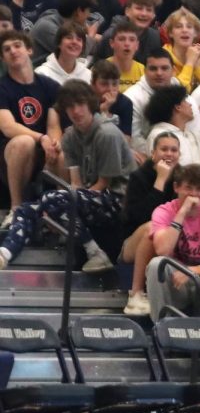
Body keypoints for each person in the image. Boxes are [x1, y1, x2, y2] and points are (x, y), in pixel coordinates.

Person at [0, 79, 134, 271]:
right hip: (90, 196)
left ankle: (95, 252)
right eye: (70, 106)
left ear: (90, 104)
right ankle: (4, 253)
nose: (76, 111)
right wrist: (58, 209)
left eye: (80, 104)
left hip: (117, 199)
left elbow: (103, 184)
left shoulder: (107, 133)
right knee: (27, 209)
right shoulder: (70, 136)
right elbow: (76, 183)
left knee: (53, 199)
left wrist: (60, 204)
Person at [147, 161, 200, 326]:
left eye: (199, 189)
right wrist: (182, 213)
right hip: (175, 282)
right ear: (176, 187)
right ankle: (160, 331)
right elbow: (162, 249)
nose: (194, 194)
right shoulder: (163, 211)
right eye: (188, 188)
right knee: (156, 264)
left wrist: (192, 271)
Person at [0, 30, 62, 223]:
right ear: (2, 58)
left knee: (62, 150)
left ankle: (60, 213)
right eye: (6, 49)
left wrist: (53, 142)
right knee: (23, 142)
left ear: (29, 50)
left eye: (17, 46)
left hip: (42, 152)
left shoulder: (50, 86)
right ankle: (16, 208)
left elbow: (54, 124)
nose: (13, 51)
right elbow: (8, 127)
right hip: (8, 154)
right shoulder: (2, 87)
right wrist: (41, 138)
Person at [119, 129, 178, 315]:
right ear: (153, 153)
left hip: (168, 241)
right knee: (153, 227)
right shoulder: (138, 177)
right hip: (133, 243)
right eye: (164, 149)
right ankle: (135, 294)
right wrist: (160, 180)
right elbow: (141, 216)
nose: (169, 154)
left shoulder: (182, 179)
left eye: (174, 150)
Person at [144, 83, 200, 166]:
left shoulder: (190, 135)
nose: (190, 105)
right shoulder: (158, 135)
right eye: (185, 101)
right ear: (177, 107)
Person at [161, 7, 200, 91]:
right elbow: (175, 92)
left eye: (189, 27)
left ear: (195, 33)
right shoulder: (162, 60)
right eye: (178, 27)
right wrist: (190, 63)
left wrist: (198, 68)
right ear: (170, 33)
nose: (184, 30)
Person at [36, 19, 89, 84]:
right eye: (69, 38)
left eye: (79, 39)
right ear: (59, 43)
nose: (74, 42)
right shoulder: (42, 74)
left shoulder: (89, 76)